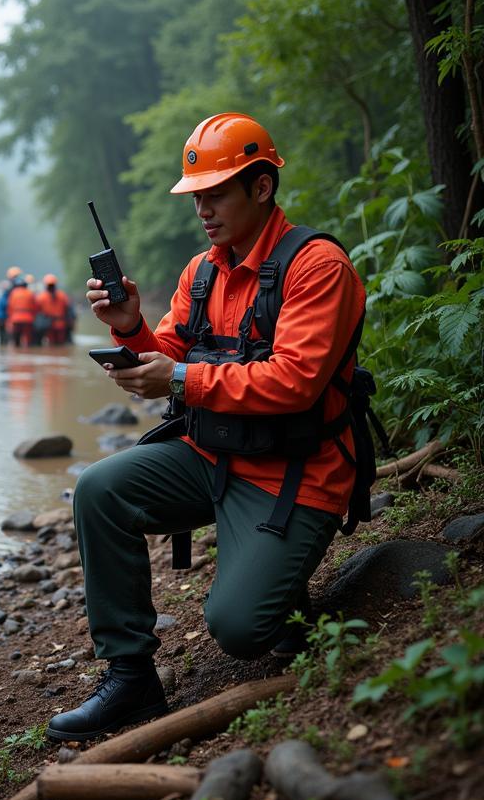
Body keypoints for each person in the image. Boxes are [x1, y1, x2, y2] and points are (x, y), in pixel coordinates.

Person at [47, 112, 365, 742]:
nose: (203, 208)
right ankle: (131, 676)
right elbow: (159, 353)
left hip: (295, 473)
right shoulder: (202, 273)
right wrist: (130, 326)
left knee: (240, 631)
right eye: (197, 195)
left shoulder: (317, 266)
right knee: (99, 490)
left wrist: (181, 380)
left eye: (216, 192)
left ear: (262, 188)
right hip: (211, 454)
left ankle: (282, 595)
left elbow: (295, 381)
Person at [35, 274, 71, 345]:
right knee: (59, 344)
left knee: (54, 344)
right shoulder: (62, 295)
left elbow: (37, 311)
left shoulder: (41, 297)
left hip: (53, 324)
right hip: (54, 324)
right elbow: (68, 309)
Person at [5, 275, 38, 347]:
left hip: (16, 319)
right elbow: (35, 308)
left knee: (16, 339)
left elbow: (9, 308)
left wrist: (10, 319)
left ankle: (17, 352)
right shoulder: (30, 293)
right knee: (28, 339)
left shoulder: (13, 293)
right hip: (28, 319)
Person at [0, 266, 21, 346]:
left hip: (0, 315)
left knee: (3, 337)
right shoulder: (11, 289)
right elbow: (8, 305)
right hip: (3, 316)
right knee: (5, 336)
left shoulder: (7, 287)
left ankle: (2, 350)